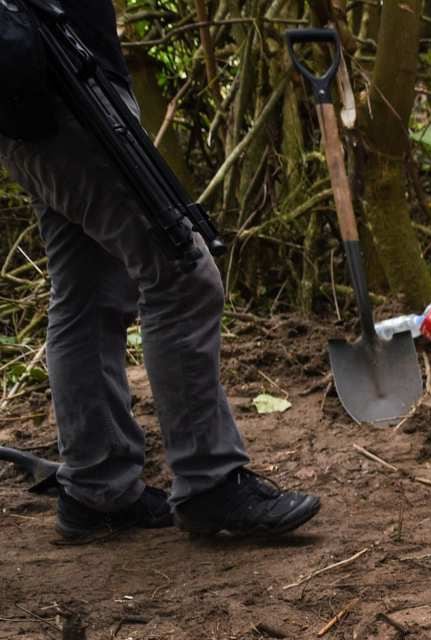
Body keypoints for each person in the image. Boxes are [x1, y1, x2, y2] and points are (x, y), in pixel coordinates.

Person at [0, 0, 320, 540]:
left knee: (87, 289)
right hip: (64, 90)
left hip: (40, 96)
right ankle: (210, 484)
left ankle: (99, 490)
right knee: (182, 274)